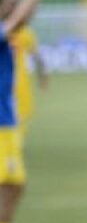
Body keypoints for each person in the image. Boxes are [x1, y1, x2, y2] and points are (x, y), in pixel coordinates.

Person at [0, 0, 57, 223]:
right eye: (8, 1)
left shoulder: (13, 33)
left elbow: (23, 19)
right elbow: (19, 19)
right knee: (9, 186)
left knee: (14, 186)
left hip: (7, 121)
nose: (14, 5)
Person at [10, 12, 47, 143]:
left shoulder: (25, 33)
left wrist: (42, 77)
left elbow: (38, 58)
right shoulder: (5, 30)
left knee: (20, 118)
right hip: (9, 85)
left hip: (20, 86)